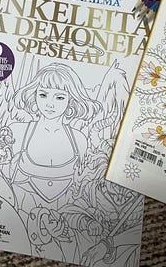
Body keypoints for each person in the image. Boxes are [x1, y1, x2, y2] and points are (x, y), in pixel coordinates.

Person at [9, 63, 100, 260]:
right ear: (33, 95)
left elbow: (79, 191)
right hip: (20, 224)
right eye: (43, 95)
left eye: (59, 97)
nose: (50, 104)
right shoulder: (19, 131)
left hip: (68, 229)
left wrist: (87, 221)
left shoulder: (79, 139)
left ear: (71, 100)